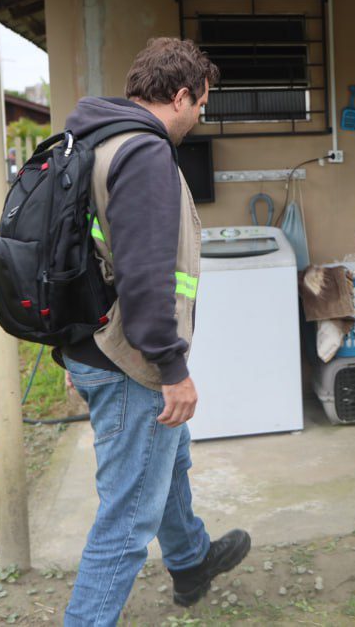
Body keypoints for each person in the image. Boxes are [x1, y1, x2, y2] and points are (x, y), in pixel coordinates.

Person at [59, 37, 251, 625]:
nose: (201, 117)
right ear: (182, 95)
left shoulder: (94, 141)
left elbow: (83, 257)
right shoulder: (143, 152)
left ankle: (190, 560)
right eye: (202, 105)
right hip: (130, 358)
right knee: (127, 517)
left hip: (94, 344)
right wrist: (172, 368)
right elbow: (146, 274)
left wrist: (76, 353)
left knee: (169, 459)